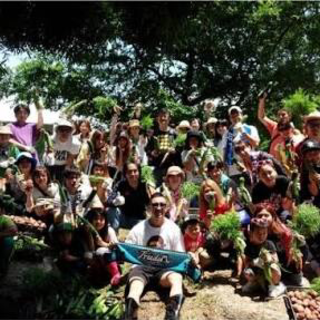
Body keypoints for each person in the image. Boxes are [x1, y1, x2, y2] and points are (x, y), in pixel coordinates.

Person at [124, 192, 185, 320]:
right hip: (142, 267)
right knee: (135, 285)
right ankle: (130, 313)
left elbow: (180, 254)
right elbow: (127, 251)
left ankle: (172, 313)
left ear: (166, 207)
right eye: (155, 205)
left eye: (162, 205)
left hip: (165, 269)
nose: (158, 208)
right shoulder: (138, 229)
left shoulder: (174, 229)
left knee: (177, 279)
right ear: (149, 207)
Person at [242, 217, 286, 298]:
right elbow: (246, 261)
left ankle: (275, 286)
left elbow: (276, 259)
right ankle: (254, 283)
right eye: (258, 233)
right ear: (251, 233)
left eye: (264, 233)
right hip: (256, 270)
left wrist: (268, 259)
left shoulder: (269, 244)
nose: (261, 236)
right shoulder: (249, 246)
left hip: (269, 269)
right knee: (247, 272)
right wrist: (253, 263)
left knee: (275, 268)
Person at [107, 162, 154, 231]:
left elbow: (152, 202)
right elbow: (109, 200)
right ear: (125, 174)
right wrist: (115, 202)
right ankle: (115, 234)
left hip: (139, 219)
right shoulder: (121, 185)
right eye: (129, 172)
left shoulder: (144, 186)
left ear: (139, 172)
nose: (132, 174)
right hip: (123, 217)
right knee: (111, 210)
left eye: (135, 171)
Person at [222, 106, 260, 182]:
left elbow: (256, 143)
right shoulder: (227, 133)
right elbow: (225, 152)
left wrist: (243, 132)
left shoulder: (250, 128)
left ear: (241, 115)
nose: (235, 117)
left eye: (237, 115)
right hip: (234, 170)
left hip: (251, 166)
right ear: (230, 118)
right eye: (232, 116)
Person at [85, 206, 121, 286]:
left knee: (101, 251)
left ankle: (115, 274)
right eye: (95, 219)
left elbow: (117, 248)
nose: (98, 222)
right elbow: (91, 251)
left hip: (111, 259)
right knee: (88, 256)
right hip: (96, 260)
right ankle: (98, 276)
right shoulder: (86, 231)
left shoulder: (109, 231)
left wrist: (103, 244)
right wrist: (90, 236)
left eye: (101, 219)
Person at [145, 109, 179, 186]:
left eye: (164, 116)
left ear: (169, 119)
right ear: (157, 119)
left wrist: (175, 151)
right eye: (160, 116)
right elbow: (147, 149)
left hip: (171, 169)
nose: (162, 118)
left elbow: (180, 151)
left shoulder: (175, 134)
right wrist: (152, 153)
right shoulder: (153, 134)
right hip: (157, 168)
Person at [257, 92, 296, 158]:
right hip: (274, 161)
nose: (281, 116)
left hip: (288, 163)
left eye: (283, 114)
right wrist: (262, 100)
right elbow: (261, 117)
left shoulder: (295, 130)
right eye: (279, 115)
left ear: (289, 116)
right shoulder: (274, 126)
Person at [45, 119, 81, 183]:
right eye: (62, 130)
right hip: (49, 164)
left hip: (63, 165)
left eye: (67, 131)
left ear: (70, 132)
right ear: (57, 131)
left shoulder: (75, 143)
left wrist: (64, 172)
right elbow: (47, 154)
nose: (64, 133)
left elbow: (70, 158)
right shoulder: (50, 140)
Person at [0, 205, 18, 278]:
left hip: (4, 244)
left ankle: (2, 273)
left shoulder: (4, 219)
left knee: (2, 261)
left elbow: (13, 231)